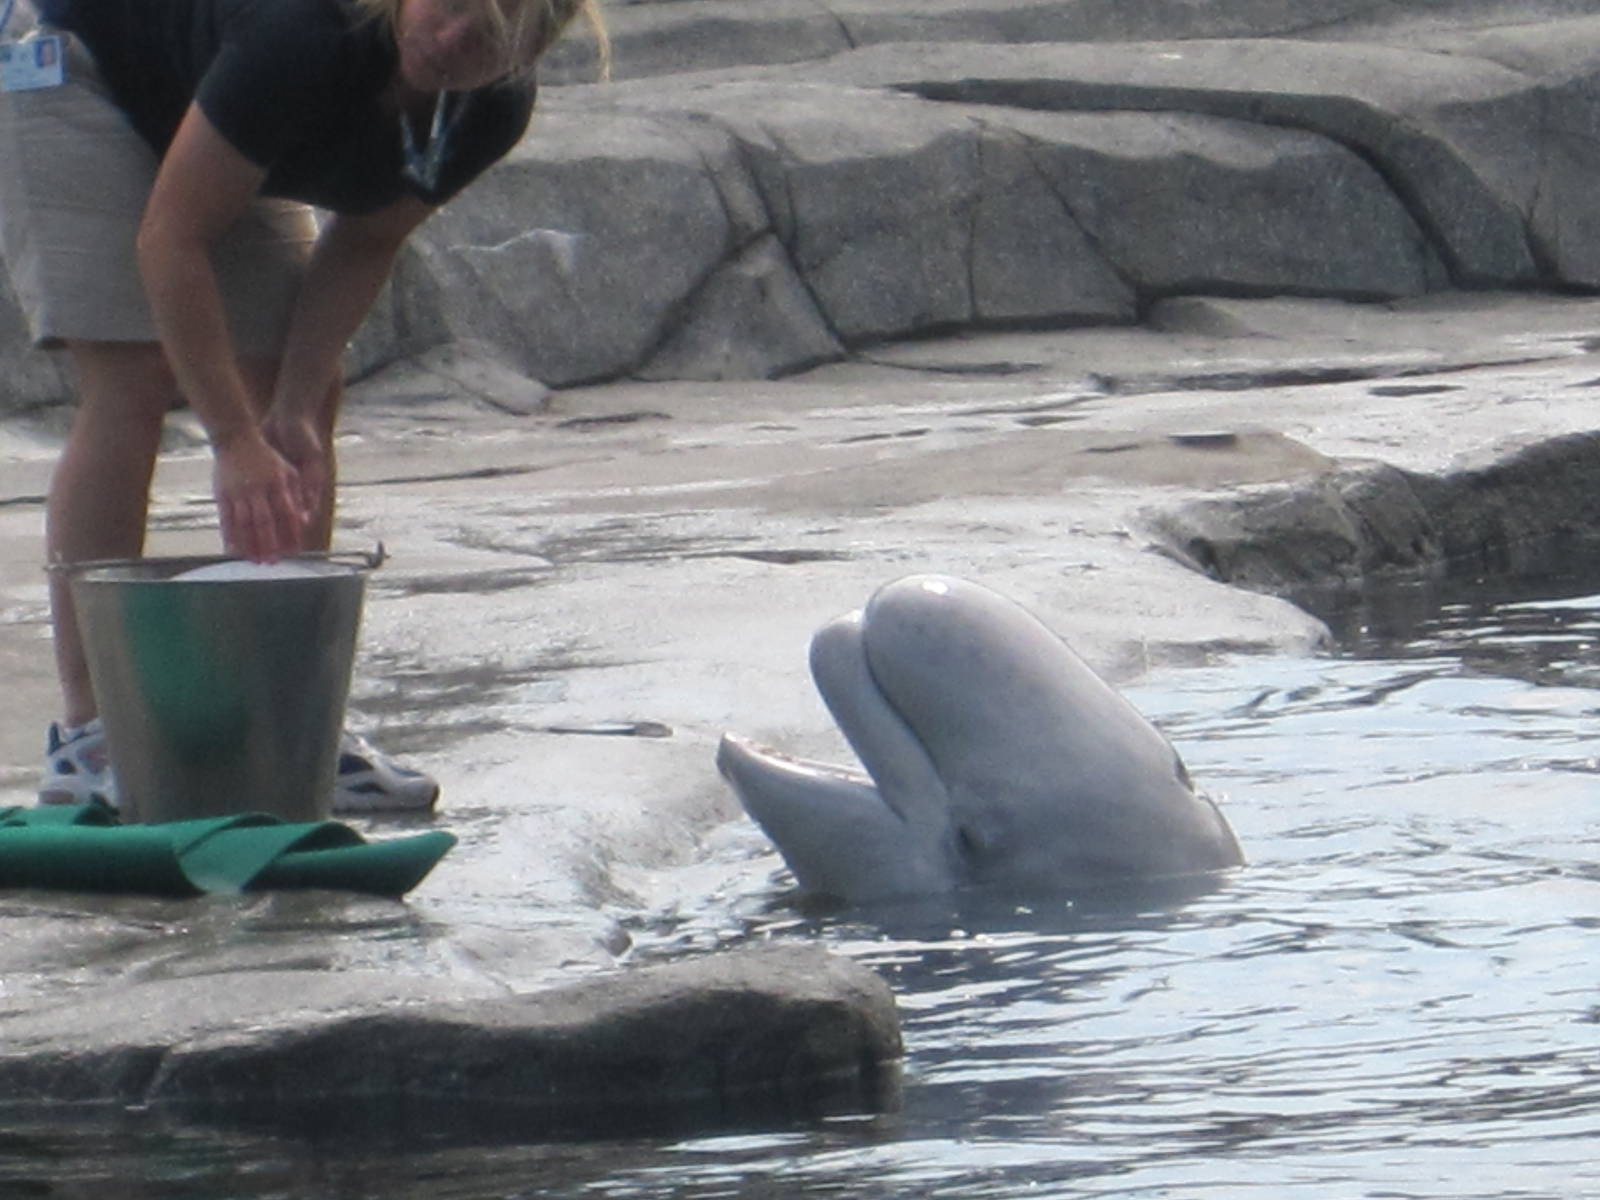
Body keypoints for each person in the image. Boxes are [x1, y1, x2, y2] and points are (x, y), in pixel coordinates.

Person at [0, 0, 606, 811]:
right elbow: (169, 239)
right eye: (448, 4)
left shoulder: (490, 106)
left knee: (302, 386)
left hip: (208, 99)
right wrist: (231, 440)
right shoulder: (306, 36)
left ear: (532, 48)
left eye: (492, 33)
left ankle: (290, 722)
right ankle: (89, 735)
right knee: (135, 380)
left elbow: (366, 238)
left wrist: (283, 412)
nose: (456, 37)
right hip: (78, 65)